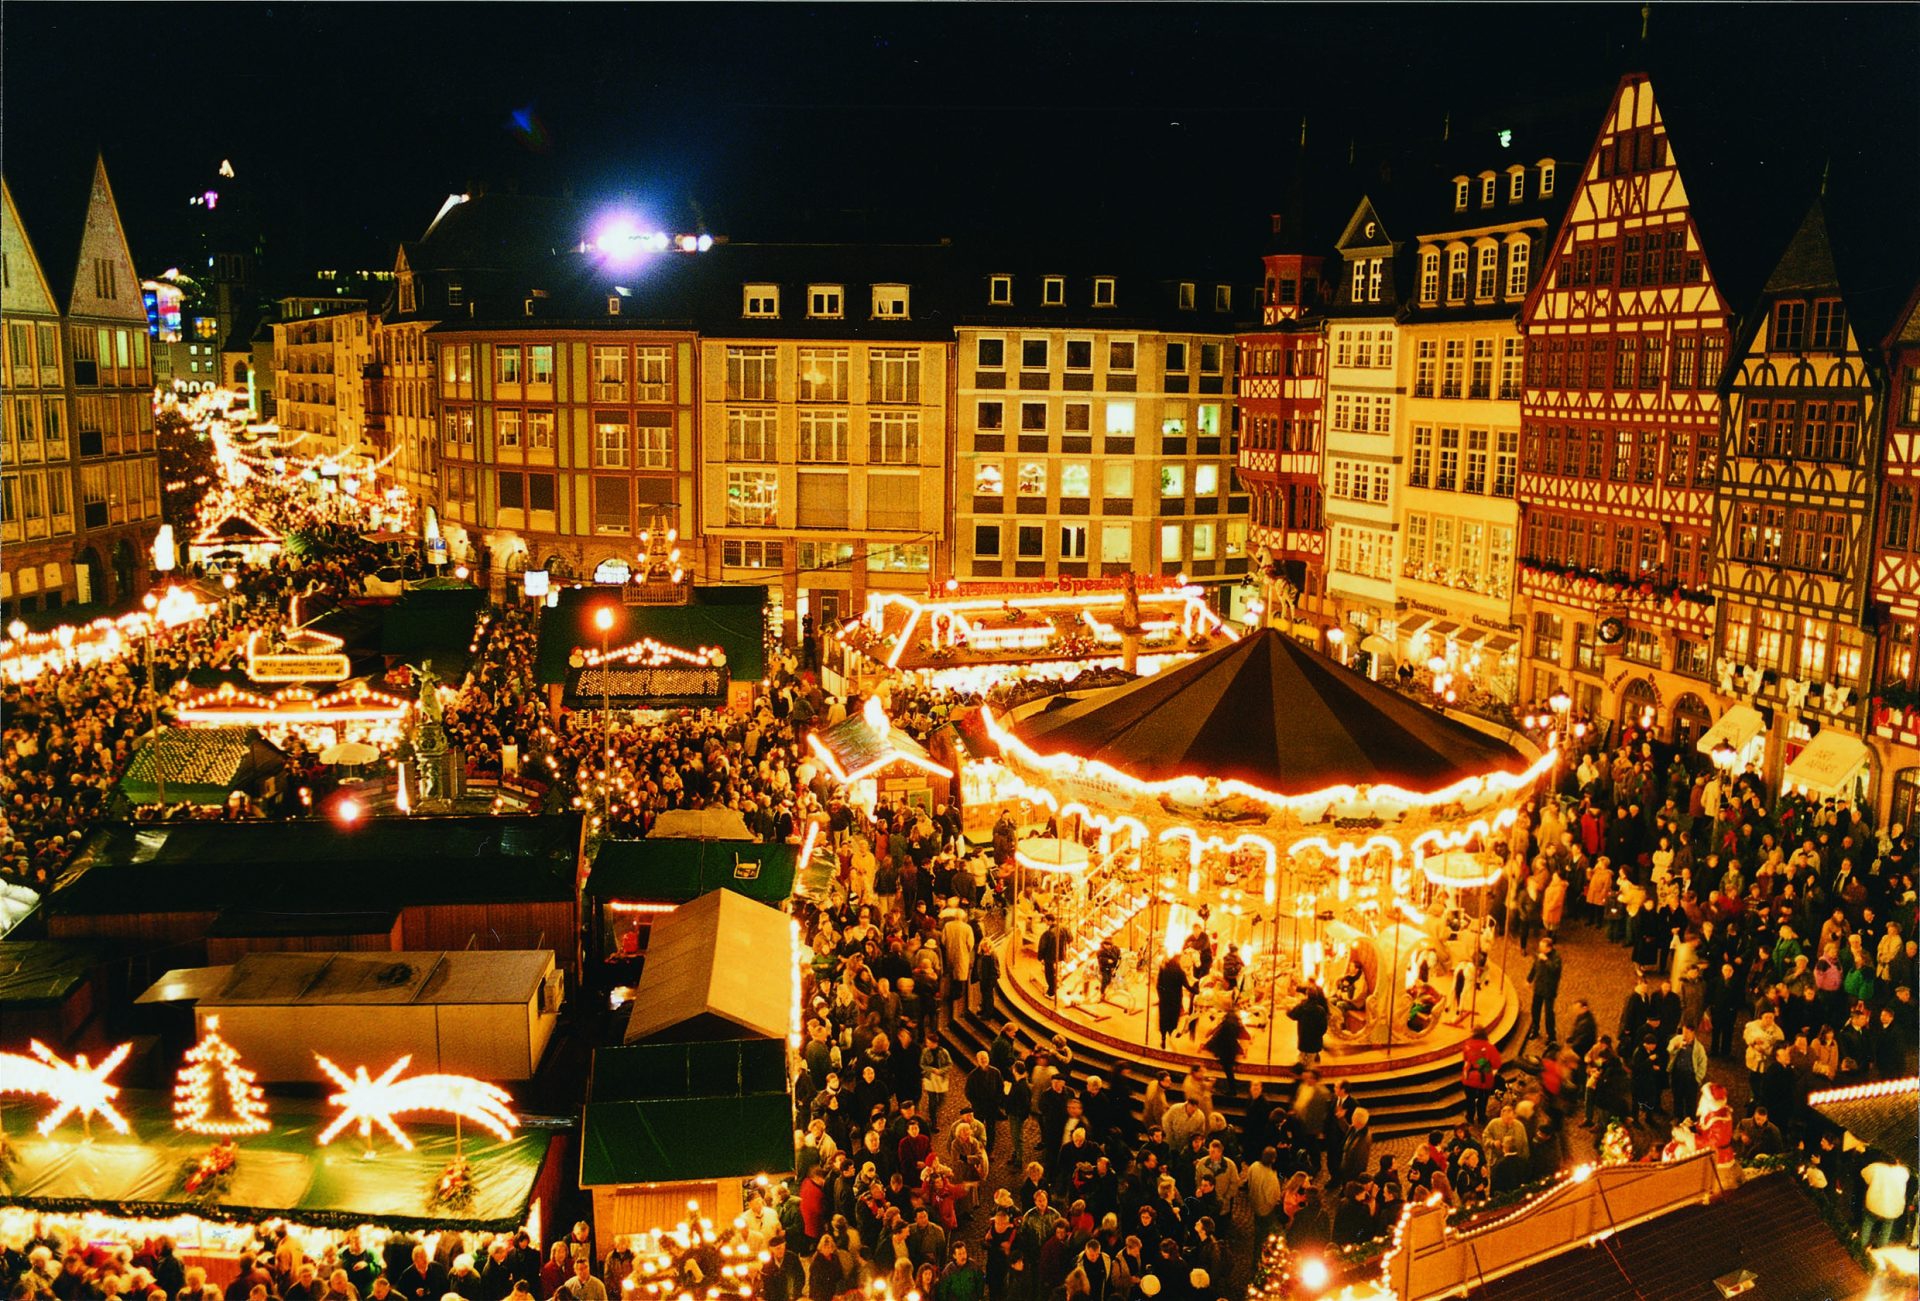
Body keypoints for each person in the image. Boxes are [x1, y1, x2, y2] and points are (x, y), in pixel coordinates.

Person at [1523, 936, 1562, 1046]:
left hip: (1549, 989)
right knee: (1535, 1009)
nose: (1540, 949)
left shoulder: (1556, 958)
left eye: (1542, 947)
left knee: (1549, 1013)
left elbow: (1555, 969)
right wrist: (1529, 979)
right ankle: (1535, 1029)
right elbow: (1534, 967)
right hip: (1539, 987)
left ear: (1549, 948)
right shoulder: (1540, 955)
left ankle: (1551, 1036)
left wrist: (1546, 960)